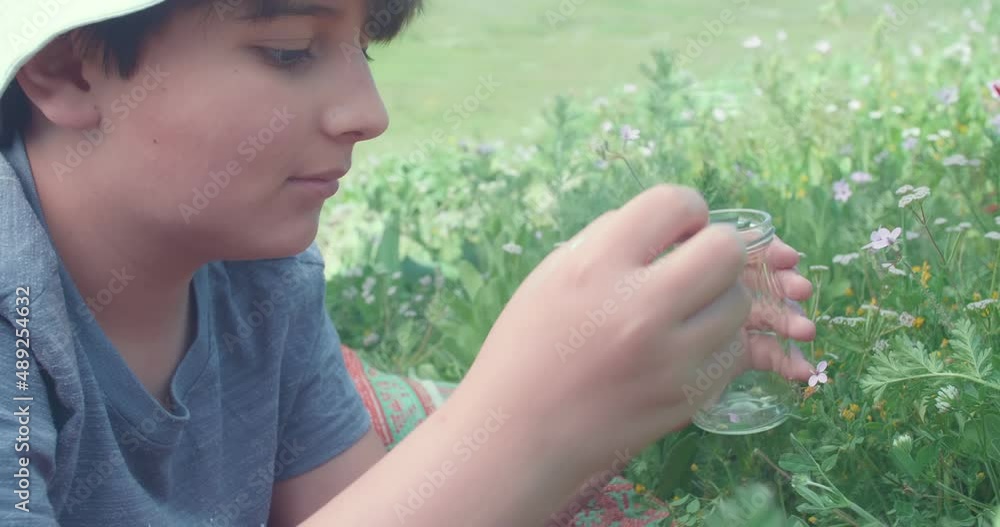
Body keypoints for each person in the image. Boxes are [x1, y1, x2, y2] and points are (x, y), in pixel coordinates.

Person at [0, 1, 817, 525]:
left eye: (366, 49)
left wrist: (619, 386)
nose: (370, 113)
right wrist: (534, 418)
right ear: (69, 67)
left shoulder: (257, 275)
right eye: (289, 49)